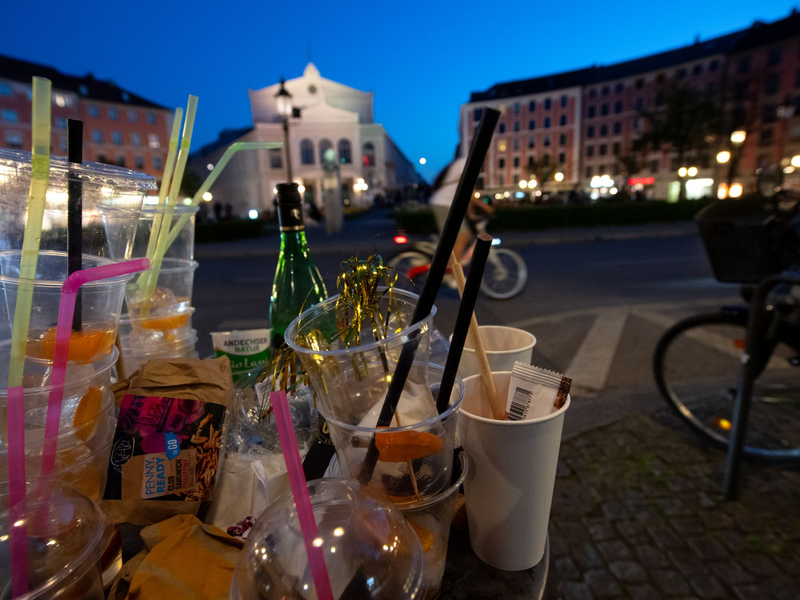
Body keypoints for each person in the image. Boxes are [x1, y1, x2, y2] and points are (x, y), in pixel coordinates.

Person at [429, 157, 494, 261]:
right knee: (462, 235)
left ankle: (452, 266)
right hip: (444, 203)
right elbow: (466, 189)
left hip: (448, 204)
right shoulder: (466, 162)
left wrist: (471, 214)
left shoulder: (466, 162)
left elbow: (465, 196)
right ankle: (452, 272)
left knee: (464, 235)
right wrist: (485, 207)